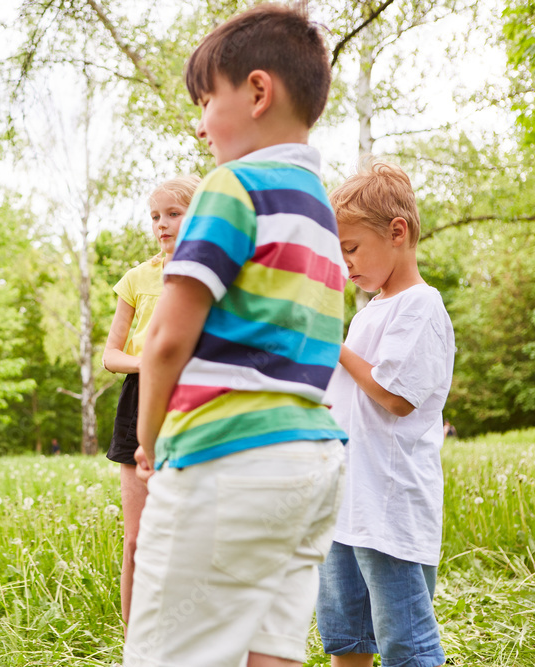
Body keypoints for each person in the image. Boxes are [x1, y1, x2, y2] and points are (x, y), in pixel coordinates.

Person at [125, 5, 348, 666]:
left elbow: (166, 339)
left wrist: (147, 440)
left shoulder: (231, 187)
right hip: (311, 465)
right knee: (269, 650)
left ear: (257, 92)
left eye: (205, 102)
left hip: (228, 462)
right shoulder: (319, 210)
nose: (199, 125)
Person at [316, 162, 454, 667]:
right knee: (346, 637)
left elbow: (396, 396)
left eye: (351, 248)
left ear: (397, 232)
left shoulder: (420, 305)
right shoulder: (369, 312)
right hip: (348, 506)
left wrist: (335, 347)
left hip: (391, 509)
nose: (344, 264)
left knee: (406, 644)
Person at [102, 174, 201, 630]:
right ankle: (134, 642)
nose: (162, 224)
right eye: (155, 216)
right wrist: (154, 363)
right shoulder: (137, 279)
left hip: (197, 403)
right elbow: (111, 355)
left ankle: (186, 636)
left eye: (174, 214)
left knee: (190, 536)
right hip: (140, 401)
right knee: (137, 539)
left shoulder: (216, 276)